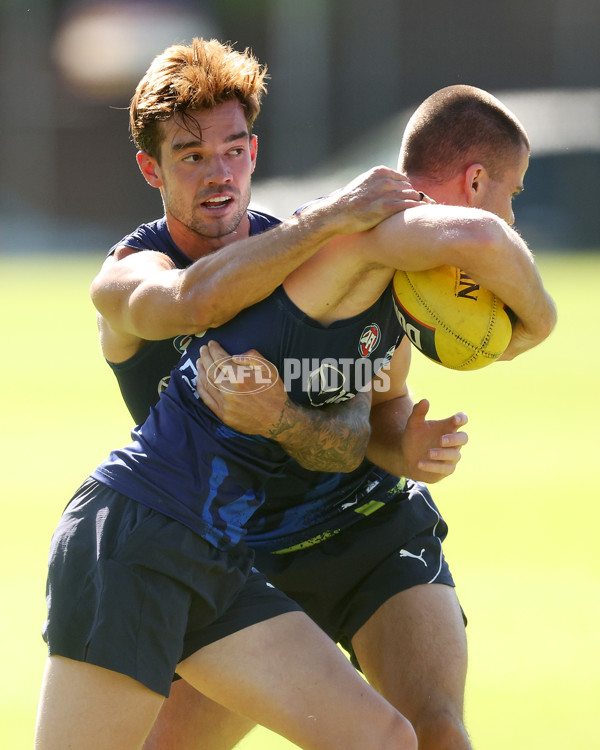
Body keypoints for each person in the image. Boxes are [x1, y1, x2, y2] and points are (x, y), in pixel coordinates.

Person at [141, 86, 556, 750]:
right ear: (476, 181)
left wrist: (405, 446)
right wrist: (540, 323)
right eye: (514, 193)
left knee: (438, 732)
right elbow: (482, 231)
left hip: (370, 531)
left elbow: (380, 410)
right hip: (255, 548)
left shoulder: (418, 275)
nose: (512, 213)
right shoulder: (386, 227)